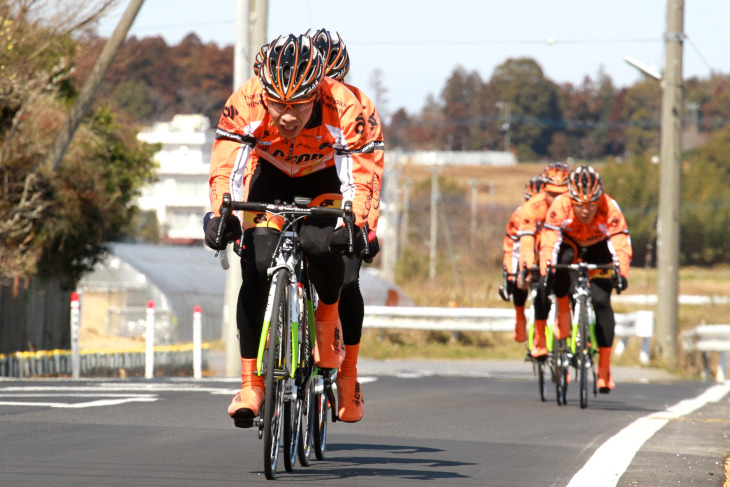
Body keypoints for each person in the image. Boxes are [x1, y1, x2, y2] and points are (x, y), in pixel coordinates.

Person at [204, 33, 383, 426]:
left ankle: (327, 330)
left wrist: (358, 224)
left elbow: (362, 178)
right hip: (272, 176)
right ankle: (251, 383)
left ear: (318, 93)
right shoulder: (245, 100)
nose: (286, 116)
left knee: (322, 248)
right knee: (256, 264)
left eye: (299, 105)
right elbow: (227, 166)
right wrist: (221, 214)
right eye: (277, 104)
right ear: (262, 90)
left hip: (326, 181)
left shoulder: (346, 106)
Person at [538, 165, 632, 392]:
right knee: (559, 268)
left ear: (599, 198)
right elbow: (549, 241)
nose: (586, 210)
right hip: (570, 246)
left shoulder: (610, 207)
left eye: (591, 204)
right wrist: (546, 269)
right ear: (571, 198)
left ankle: (604, 369)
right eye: (580, 205)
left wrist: (621, 272)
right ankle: (563, 312)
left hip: (599, 248)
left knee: (601, 301)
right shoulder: (560, 205)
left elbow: (620, 242)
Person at [511, 162, 571, 357]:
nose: (557, 198)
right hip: (534, 251)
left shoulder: (573, 206)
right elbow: (523, 245)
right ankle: (532, 330)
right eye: (552, 193)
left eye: (562, 193)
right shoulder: (530, 209)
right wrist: (525, 268)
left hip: (559, 251)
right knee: (525, 282)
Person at [501, 176, 544, 343]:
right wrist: (511, 274)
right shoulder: (519, 215)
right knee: (518, 280)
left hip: (546, 254)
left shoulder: (555, 212)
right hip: (524, 253)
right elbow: (511, 246)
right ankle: (520, 315)